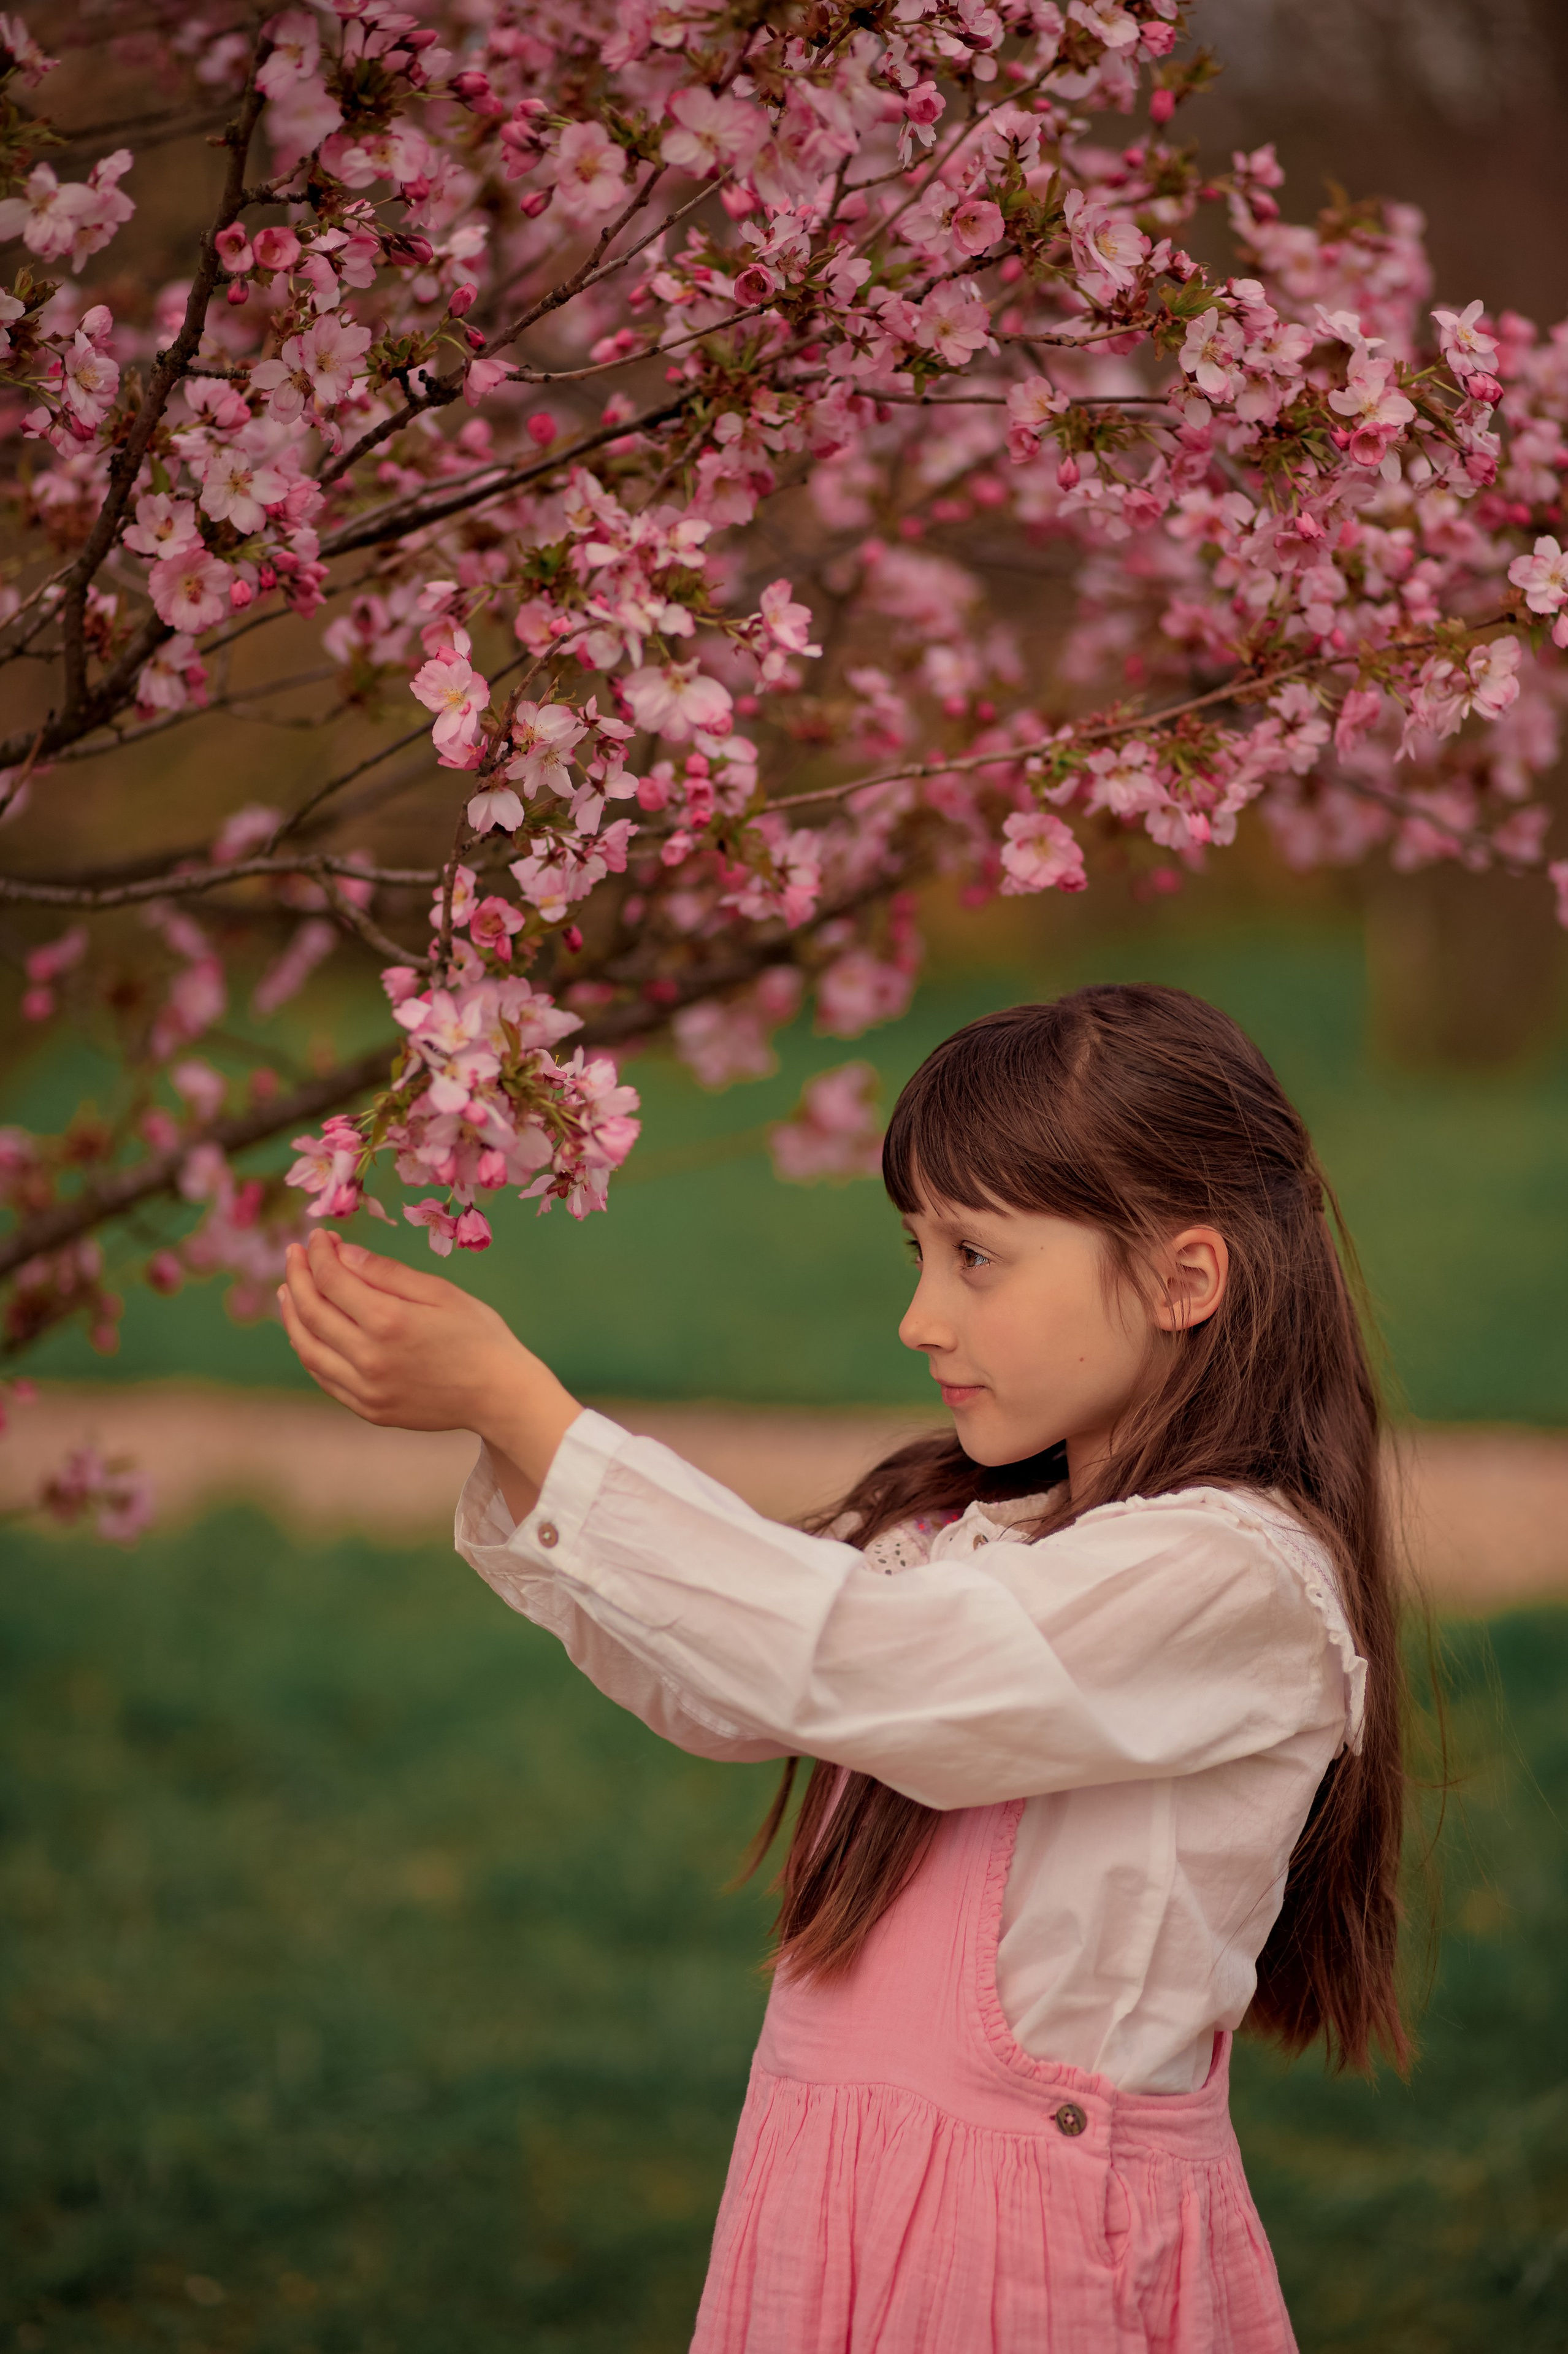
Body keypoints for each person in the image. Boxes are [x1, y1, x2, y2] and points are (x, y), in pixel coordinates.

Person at [278, 984, 1409, 2354]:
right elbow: (737, 1678)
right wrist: (510, 1439)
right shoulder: (980, 1535)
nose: (919, 1317)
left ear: (1184, 1277)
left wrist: (531, 1405)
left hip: (1033, 2251)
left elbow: (861, 1667)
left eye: (975, 1256)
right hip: (833, 2201)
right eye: (915, 1252)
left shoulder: (1236, 1579)